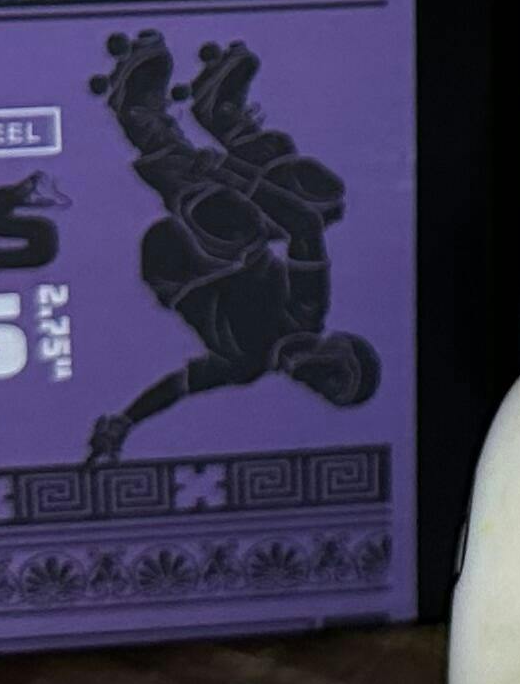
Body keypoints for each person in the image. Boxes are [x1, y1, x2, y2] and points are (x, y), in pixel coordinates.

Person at [82, 30, 377, 461]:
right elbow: (305, 225)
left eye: (327, 391)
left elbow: (179, 386)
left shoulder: (244, 366)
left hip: (175, 260)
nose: (318, 383)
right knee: (320, 200)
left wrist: (125, 422)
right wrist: (229, 171)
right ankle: (222, 115)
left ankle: (142, 118)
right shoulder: (307, 311)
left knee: (238, 229)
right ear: (339, 347)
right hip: (217, 236)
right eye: (335, 375)